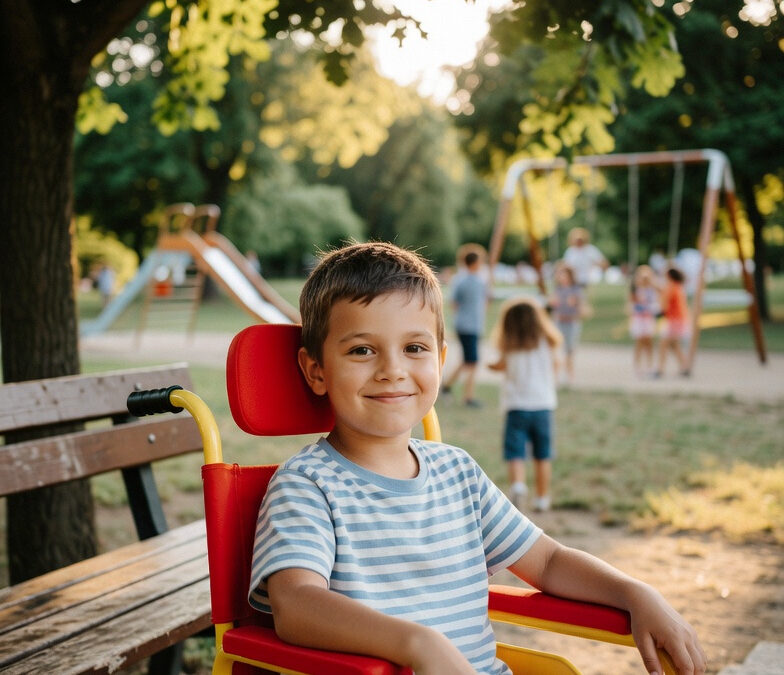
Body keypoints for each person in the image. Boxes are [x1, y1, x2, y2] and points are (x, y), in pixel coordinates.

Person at [248, 241, 706, 675]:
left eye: (415, 348)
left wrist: (634, 593)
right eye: (362, 350)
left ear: (441, 361)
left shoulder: (457, 472)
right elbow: (296, 606)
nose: (393, 370)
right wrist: (418, 643)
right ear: (316, 370)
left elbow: (546, 563)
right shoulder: (307, 484)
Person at [488, 297, 562, 513]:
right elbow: (556, 366)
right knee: (543, 455)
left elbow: (500, 365)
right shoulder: (547, 342)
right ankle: (542, 497)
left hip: (516, 406)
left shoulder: (510, 345)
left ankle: (518, 485)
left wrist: (493, 367)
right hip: (543, 405)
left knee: (515, 452)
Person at [441, 243, 489, 407]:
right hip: (468, 326)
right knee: (473, 362)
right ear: (475, 262)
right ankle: (468, 397)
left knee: (467, 360)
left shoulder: (478, 280)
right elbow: (454, 303)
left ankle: (446, 385)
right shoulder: (464, 280)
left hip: (472, 325)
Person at [548, 262, 584, 384]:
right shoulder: (557, 289)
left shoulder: (575, 289)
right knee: (556, 350)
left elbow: (581, 308)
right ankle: (555, 376)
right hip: (559, 321)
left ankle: (569, 376)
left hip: (571, 322)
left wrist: (575, 305)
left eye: (563, 273)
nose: (561, 276)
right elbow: (552, 306)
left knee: (569, 350)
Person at [654, 266, 691, 378]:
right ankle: (685, 366)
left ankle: (660, 370)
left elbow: (664, 302)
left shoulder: (671, 287)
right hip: (679, 319)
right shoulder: (677, 286)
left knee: (663, 344)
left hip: (674, 320)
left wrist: (658, 314)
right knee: (674, 345)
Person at [628, 265, 660, 377]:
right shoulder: (636, 289)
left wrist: (651, 282)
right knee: (639, 342)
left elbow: (660, 294)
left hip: (648, 319)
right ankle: (637, 366)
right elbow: (631, 304)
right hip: (638, 319)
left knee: (648, 342)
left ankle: (649, 365)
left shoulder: (652, 289)